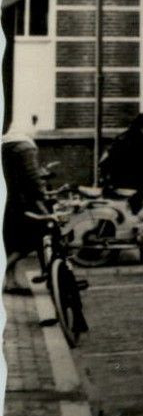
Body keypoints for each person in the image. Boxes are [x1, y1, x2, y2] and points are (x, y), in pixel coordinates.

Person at [3, 115, 50, 293]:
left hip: (7, 202)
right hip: (21, 203)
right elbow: (31, 177)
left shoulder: (5, 144)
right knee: (31, 239)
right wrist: (41, 197)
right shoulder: (24, 147)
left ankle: (11, 282)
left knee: (10, 242)